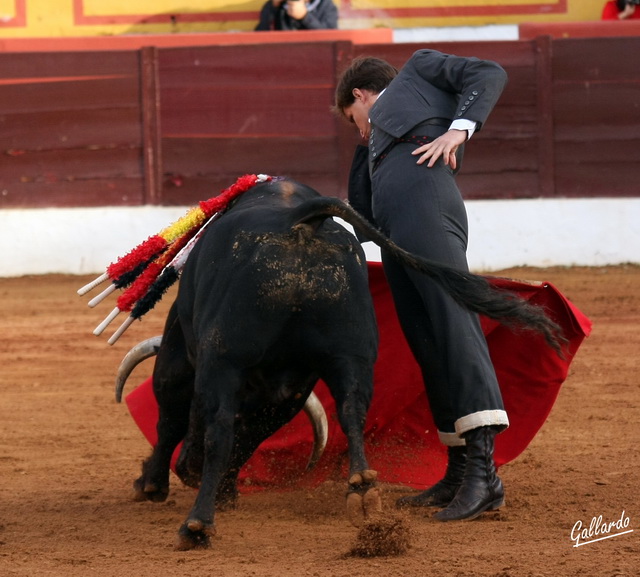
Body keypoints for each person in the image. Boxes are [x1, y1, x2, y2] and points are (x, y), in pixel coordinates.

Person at [334, 50, 509, 522]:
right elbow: (364, 215)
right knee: (428, 342)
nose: (360, 131)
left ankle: (484, 477)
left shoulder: (418, 70)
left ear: (361, 95)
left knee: (454, 325)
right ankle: (458, 469)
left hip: (428, 211)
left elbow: (490, 70)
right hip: (398, 234)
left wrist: (459, 129)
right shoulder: (377, 145)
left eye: (355, 120)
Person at [255, 0, 338, 31]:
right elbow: (260, 34)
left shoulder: (325, 5)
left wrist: (304, 16)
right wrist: (273, 7)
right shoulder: (277, 5)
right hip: (282, 57)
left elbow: (331, 37)